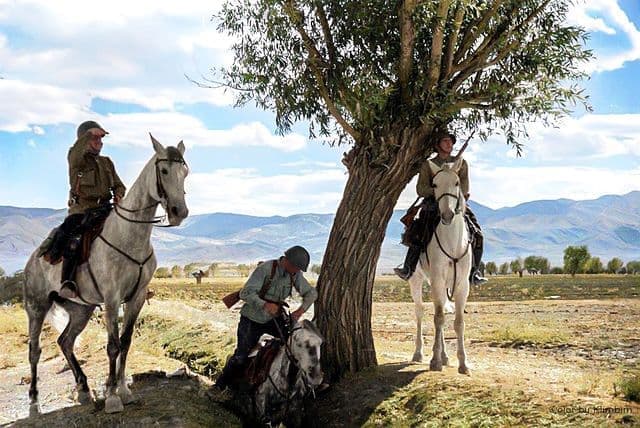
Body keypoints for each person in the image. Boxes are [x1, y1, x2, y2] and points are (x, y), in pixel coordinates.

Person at [215, 246, 318, 391]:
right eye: (297, 268)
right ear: (288, 262)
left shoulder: (294, 274)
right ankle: (220, 387)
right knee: (241, 357)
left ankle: (302, 384)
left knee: (293, 348)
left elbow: (311, 293)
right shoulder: (265, 269)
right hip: (252, 319)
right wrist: (264, 304)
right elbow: (246, 293)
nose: (298, 272)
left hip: (274, 319)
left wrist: (300, 311)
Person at [394, 133, 488, 285]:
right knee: (418, 232)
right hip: (433, 204)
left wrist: (453, 194)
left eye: (451, 141)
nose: (449, 143)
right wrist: (439, 191)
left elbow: (464, 187)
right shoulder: (428, 165)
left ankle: (473, 272)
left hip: (456, 203)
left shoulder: (461, 163)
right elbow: (421, 189)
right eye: (445, 140)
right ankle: (408, 268)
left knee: (477, 233)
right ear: (437, 145)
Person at [56, 120, 126, 299]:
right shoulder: (76, 159)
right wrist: (89, 133)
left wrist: (118, 194)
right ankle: (68, 282)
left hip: (105, 208)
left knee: (130, 233)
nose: (99, 143)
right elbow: (76, 152)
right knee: (74, 238)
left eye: (100, 140)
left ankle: (134, 280)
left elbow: (119, 185)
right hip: (82, 210)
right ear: (84, 139)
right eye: (94, 139)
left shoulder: (107, 162)